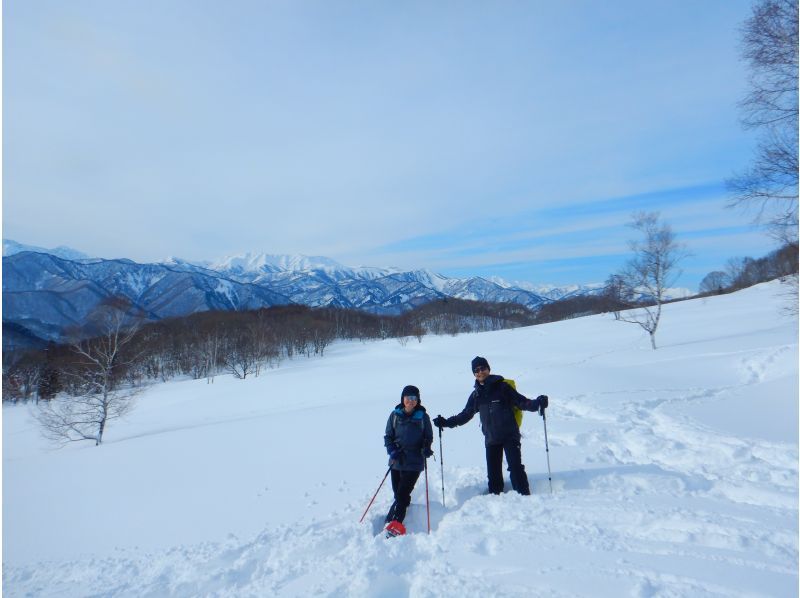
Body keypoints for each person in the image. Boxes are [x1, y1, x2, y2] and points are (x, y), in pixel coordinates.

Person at [433, 356, 548, 496]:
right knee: (493, 475)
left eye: (483, 368)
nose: (480, 372)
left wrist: (538, 403)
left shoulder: (503, 387)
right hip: (491, 439)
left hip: (509, 435)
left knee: (515, 468)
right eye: (476, 370)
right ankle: (495, 501)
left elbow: (522, 402)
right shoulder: (476, 395)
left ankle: (524, 496)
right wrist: (446, 422)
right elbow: (465, 415)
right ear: (474, 374)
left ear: (488, 369)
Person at [383, 384, 434, 534]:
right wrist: (391, 450)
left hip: (414, 461)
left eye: (414, 398)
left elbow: (428, 437)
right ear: (403, 399)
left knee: (402, 493)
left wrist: (426, 448)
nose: (411, 401)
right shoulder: (394, 415)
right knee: (398, 492)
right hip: (397, 460)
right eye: (408, 398)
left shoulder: (423, 417)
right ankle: (400, 510)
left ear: (418, 400)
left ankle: (395, 524)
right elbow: (388, 436)